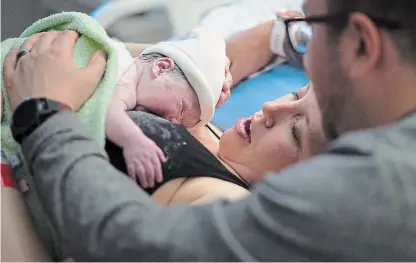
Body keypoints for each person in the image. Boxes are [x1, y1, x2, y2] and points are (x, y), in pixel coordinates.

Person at [4, 0, 416, 261]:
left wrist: (43, 111)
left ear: (362, 44)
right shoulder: (227, 135)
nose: (272, 107)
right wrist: (274, 36)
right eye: (294, 91)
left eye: (314, 27)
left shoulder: (227, 197)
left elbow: (119, 241)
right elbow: (172, 64)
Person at [105, 82, 325, 204]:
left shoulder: (230, 202)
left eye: (295, 131)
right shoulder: (216, 135)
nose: (270, 107)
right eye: (296, 95)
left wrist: (69, 106)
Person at [107, 27, 232, 188]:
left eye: (181, 125)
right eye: (181, 108)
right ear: (161, 67)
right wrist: (133, 141)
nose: (173, 122)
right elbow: (108, 112)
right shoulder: (127, 80)